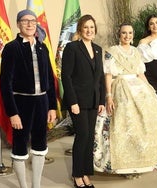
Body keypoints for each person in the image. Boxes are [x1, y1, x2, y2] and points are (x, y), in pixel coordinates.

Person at [93, 23, 157, 177]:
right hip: (121, 87)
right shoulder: (112, 51)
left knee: (147, 121)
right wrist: (109, 96)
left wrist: (150, 89)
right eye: (124, 33)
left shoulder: (136, 52)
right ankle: (122, 166)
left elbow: (140, 73)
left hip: (138, 88)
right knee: (125, 123)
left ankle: (141, 162)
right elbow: (108, 75)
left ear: (133, 35)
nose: (127, 36)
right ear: (119, 34)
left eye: (130, 33)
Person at [0, 9, 57, 188]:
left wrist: (52, 106)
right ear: (18, 24)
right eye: (25, 21)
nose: (30, 24)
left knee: (40, 144)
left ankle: (36, 185)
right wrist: (13, 113)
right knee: (20, 145)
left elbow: (49, 78)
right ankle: (23, 186)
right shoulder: (11, 48)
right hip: (21, 104)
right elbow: (5, 84)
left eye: (33, 21)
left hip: (42, 102)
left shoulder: (42, 46)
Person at [61, 14, 105, 188]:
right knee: (82, 135)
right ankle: (77, 175)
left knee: (89, 138)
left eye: (92, 27)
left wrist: (101, 100)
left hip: (93, 101)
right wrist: (72, 102)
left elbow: (99, 78)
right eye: (86, 27)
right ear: (80, 29)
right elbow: (66, 76)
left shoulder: (98, 49)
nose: (89, 30)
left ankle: (86, 173)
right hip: (77, 101)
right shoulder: (72, 48)